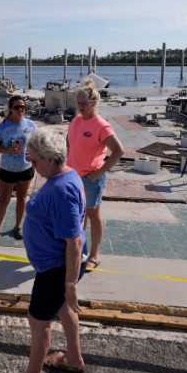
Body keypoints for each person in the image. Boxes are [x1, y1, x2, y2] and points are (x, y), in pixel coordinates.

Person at [0, 127, 87, 373]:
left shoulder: (61, 189)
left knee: (38, 321)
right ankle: (74, 359)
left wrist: (69, 283)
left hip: (55, 269)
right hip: (57, 266)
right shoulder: (65, 175)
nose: (32, 167)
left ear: (50, 159)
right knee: (63, 308)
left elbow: (75, 241)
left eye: (34, 161)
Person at [66, 79, 124, 270]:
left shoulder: (101, 125)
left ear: (94, 103)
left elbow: (118, 151)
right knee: (78, 215)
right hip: (73, 176)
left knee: (93, 214)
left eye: (84, 103)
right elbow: (70, 144)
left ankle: (94, 255)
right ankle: (79, 248)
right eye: (79, 103)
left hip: (91, 178)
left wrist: (99, 173)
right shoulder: (76, 120)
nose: (80, 107)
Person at [0, 95, 36, 247]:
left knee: (22, 199)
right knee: (3, 201)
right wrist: (7, 149)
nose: (20, 110)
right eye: (17, 107)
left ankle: (18, 227)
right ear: (10, 109)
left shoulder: (31, 125)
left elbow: (36, 143)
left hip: (26, 168)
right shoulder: (3, 127)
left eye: (23, 107)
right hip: (8, 169)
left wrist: (35, 158)